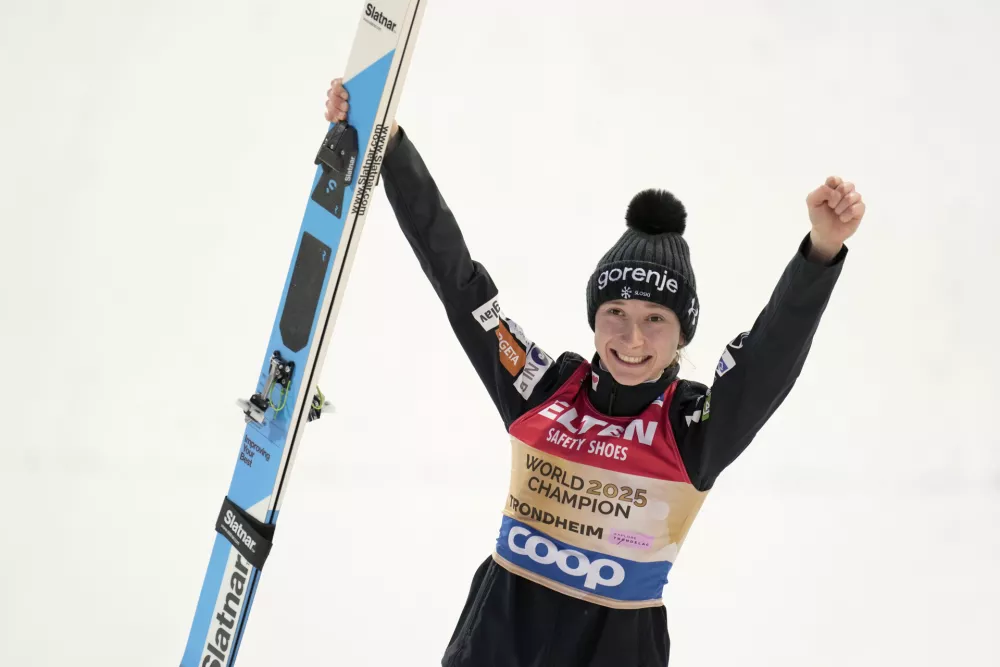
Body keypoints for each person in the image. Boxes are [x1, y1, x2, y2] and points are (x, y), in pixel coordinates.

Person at [324, 78, 866, 667]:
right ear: (593, 320)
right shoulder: (544, 387)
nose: (632, 339)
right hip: (495, 643)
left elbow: (767, 359)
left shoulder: (692, 428)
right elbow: (462, 286)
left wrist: (821, 250)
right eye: (616, 313)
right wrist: (391, 144)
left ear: (683, 335)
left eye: (655, 319)